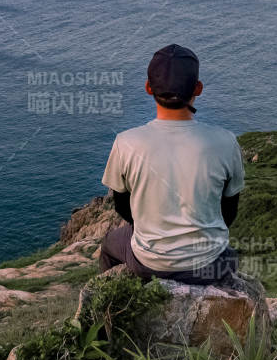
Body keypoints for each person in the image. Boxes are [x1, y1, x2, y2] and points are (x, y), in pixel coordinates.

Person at [99, 44, 244, 284]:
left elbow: (124, 209)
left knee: (108, 246)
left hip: (149, 262)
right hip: (209, 263)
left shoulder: (126, 142)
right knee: (231, 256)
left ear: (148, 88)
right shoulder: (226, 142)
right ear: (198, 88)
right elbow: (229, 213)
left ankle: (115, 309)